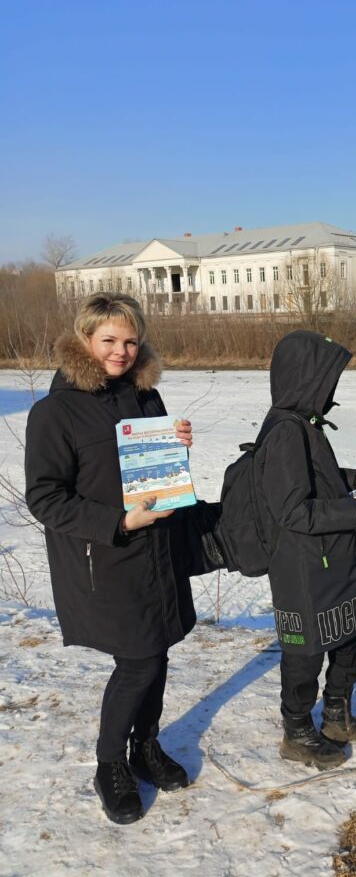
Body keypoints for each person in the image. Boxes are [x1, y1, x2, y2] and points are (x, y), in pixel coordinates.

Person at [25, 293, 196, 825]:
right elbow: (46, 498)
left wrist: (177, 452)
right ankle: (109, 763)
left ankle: (146, 747)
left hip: (158, 550)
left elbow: (153, 476)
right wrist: (117, 523)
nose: (121, 351)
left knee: (158, 650)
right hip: (108, 556)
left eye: (130, 340)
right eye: (109, 341)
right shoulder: (55, 411)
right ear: (85, 341)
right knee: (139, 660)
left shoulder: (147, 398)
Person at [255, 330, 356, 769]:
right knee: (305, 652)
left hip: (329, 558)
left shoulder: (303, 423)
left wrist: (352, 479)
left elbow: (315, 478)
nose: (332, 389)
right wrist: (355, 512)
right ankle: (297, 732)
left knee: (350, 634)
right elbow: (292, 509)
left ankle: (336, 714)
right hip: (301, 566)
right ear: (305, 380)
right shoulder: (284, 432)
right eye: (327, 380)